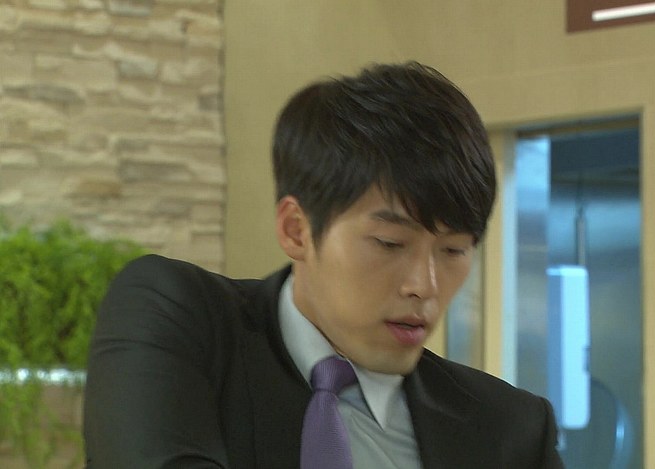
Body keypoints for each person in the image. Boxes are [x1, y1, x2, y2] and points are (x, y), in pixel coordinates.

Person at [83, 61, 564, 468]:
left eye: (453, 251)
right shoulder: (179, 317)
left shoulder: (510, 429)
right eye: (390, 243)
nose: (424, 285)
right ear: (296, 229)